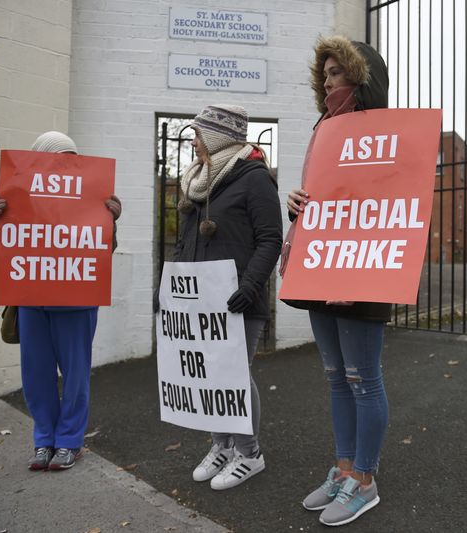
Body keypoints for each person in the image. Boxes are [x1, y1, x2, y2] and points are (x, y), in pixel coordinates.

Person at [285, 36, 391, 526]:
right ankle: (344, 469)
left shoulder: (388, 133)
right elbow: (320, 192)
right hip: (321, 262)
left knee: (362, 379)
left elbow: (396, 198)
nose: (326, 81)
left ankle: (365, 482)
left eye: (335, 73)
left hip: (363, 267)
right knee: (334, 378)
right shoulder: (323, 130)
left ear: (359, 77)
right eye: (323, 74)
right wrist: (298, 203)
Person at [0, 131, 122, 470]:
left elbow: (101, 249)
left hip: (77, 300)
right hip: (32, 301)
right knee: (36, 375)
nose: (65, 165)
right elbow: (20, 240)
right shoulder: (19, 194)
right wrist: (0, 218)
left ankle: (69, 442)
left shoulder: (91, 194)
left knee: (75, 375)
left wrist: (111, 222)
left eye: (70, 158)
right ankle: (44, 441)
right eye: (57, 157)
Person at [174, 105, 282, 490]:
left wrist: (249, 287)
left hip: (239, 299)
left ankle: (250, 454)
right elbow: (183, 242)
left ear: (217, 137)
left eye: (199, 134)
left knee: (233, 375)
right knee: (209, 377)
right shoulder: (196, 180)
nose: (194, 141)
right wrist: (171, 293)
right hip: (200, 302)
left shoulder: (254, 179)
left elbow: (271, 239)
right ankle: (222, 444)